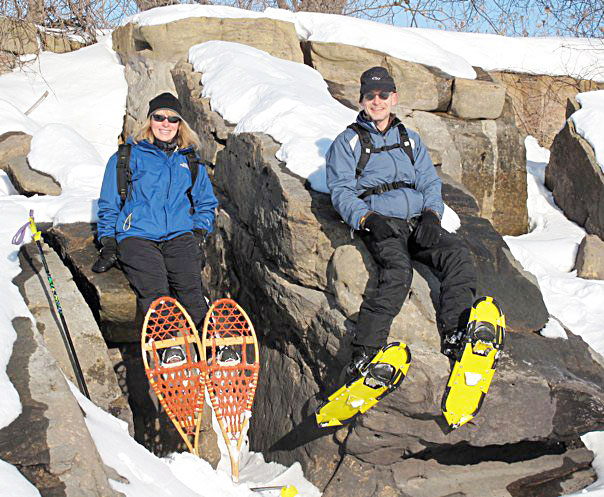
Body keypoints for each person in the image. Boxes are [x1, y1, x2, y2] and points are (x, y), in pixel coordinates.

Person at [325, 67, 477, 381]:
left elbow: (430, 182)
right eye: (370, 95)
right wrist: (366, 218)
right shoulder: (348, 141)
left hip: (418, 221)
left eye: (383, 95)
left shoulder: (409, 139)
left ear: (393, 98)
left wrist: (433, 215)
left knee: (458, 255)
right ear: (362, 100)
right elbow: (340, 190)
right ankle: (365, 352)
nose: (377, 101)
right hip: (382, 224)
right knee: (398, 272)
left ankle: (454, 333)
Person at [93, 92, 220, 366]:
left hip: (178, 234)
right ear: (149, 120)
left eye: (172, 118)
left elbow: (206, 202)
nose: (165, 123)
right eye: (159, 117)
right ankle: (168, 347)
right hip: (137, 235)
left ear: (180, 123)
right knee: (156, 290)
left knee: (191, 290)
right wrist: (108, 241)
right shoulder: (127, 156)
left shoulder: (190, 160)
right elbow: (109, 202)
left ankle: (212, 346)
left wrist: (198, 231)